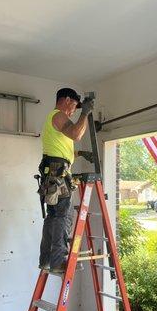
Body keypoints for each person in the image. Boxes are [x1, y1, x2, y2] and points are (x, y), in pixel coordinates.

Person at [38, 88, 94, 273]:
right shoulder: (59, 116)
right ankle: (58, 261)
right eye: (74, 107)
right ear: (67, 100)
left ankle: (46, 260)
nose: (74, 111)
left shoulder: (53, 118)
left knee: (53, 217)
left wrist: (79, 154)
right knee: (63, 216)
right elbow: (76, 134)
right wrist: (85, 112)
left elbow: (61, 152)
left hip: (52, 172)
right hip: (58, 175)